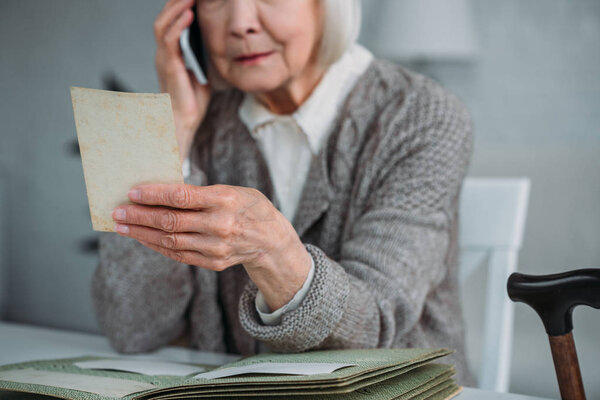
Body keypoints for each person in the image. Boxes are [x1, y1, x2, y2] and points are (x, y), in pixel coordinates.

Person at [92, 0, 475, 385]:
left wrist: (272, 253)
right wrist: (171, 126)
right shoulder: (200, 116)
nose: (241, 24)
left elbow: (373, 326)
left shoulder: (421, 113)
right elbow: (130, 329)